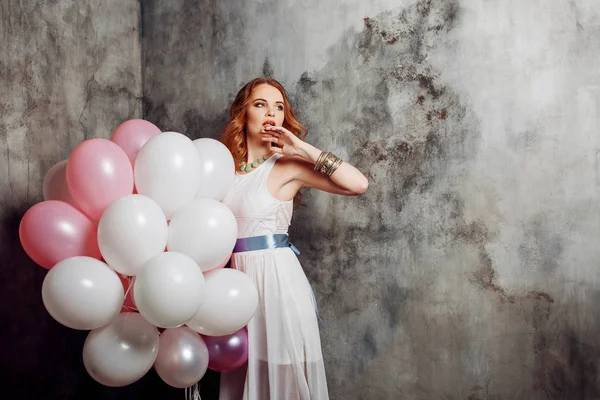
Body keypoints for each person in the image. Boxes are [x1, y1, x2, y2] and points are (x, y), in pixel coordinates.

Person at [219, 77, 368, 400]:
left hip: (276, 287)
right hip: (233, 292)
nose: (271, 113)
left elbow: (358, 184)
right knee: (243, 380)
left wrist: (301, 148)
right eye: (261, 105)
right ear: (243, 113)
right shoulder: (222, 168)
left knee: (282, 384)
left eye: (279, 107)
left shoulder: (288, 166)